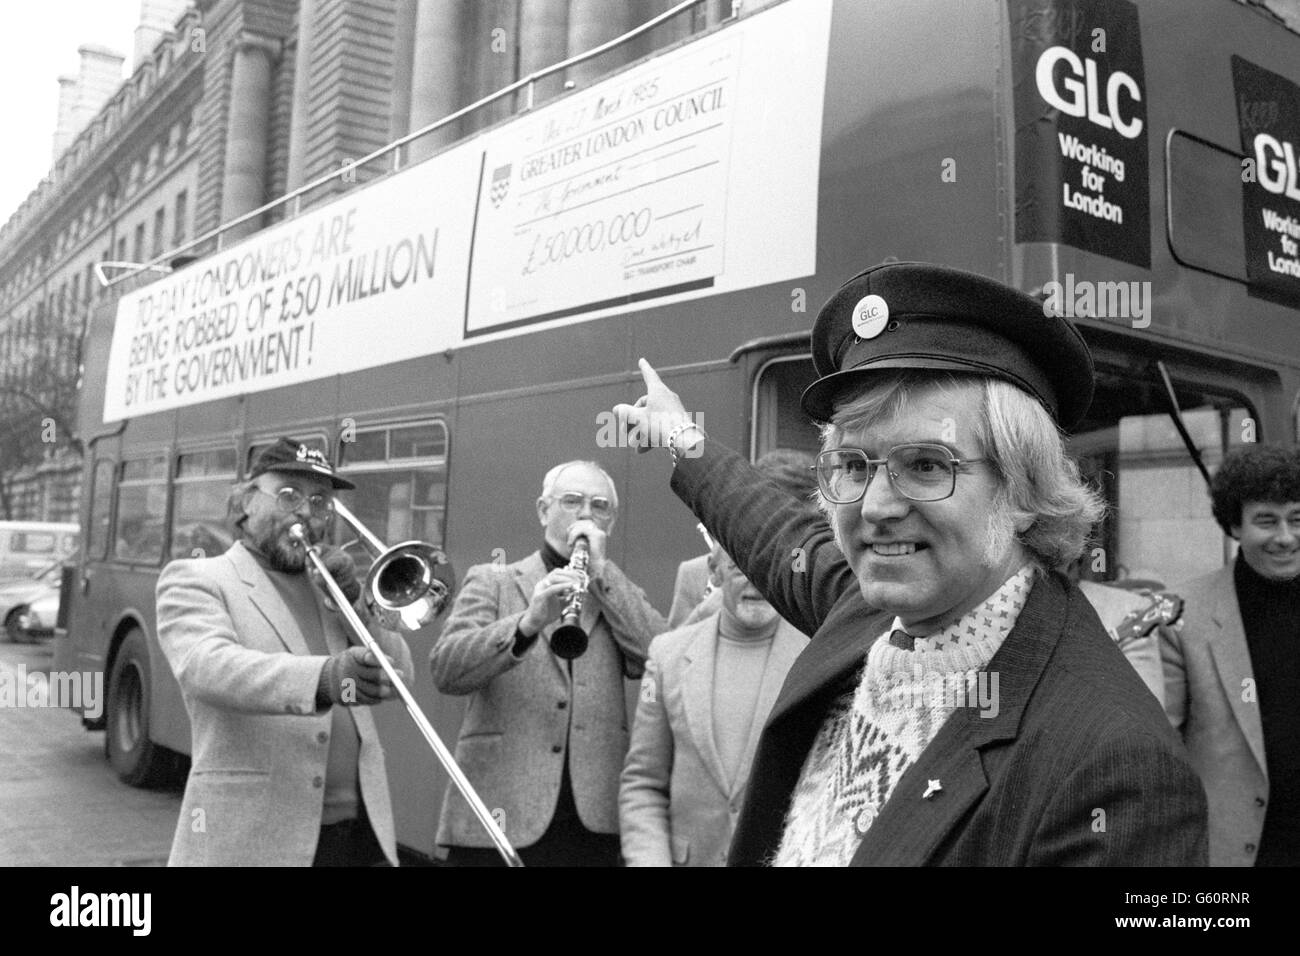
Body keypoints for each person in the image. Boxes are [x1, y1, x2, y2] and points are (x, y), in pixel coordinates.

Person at [613, 261, 1207, 866]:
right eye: (852, 466)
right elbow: (767, 529)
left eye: (926, 465)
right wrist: (680, 437)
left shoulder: (1114, 768)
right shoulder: (870, 615)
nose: (874, 508)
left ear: (1024, 491)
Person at [155, 438, 414, 866]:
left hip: (360, 834)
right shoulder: (198, 578)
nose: (305, 514)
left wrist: (357, 605)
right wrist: (326, 678)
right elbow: (207, 668)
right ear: (246, 502)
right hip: (258, 839)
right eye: (289, 495)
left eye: (319, 502)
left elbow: (401, 676)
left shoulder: (332, 588)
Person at [430, 460, 667, 865]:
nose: (586, 514)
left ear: (611, 520)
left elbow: (663, 657)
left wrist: (601, 574)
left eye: (600, 505)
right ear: (543, 510)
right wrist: (526, 624)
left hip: (594, 822)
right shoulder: (493, 580)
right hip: (496, 817)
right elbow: (447, 670)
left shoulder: (615, 593)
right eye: (572, 501)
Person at [621, 543, 804, 866]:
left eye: (765, 566)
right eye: (739, 567)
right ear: (715, 572)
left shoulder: (814, 659)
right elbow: (644, 785)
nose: (755, 580)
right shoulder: (667, 656)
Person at [1162, 444, 1300, 866]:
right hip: (1232, 852)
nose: (1285, 537)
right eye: (1266, 521)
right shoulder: (1182, 613)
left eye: (1297, 519)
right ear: (1235, 526)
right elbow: (1159, 750)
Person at [666, 449, 819, 629]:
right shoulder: (697, 574)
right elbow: (671, 650)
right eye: (782, 521)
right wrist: (709, 609)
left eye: (805, 524)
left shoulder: (827, 575)